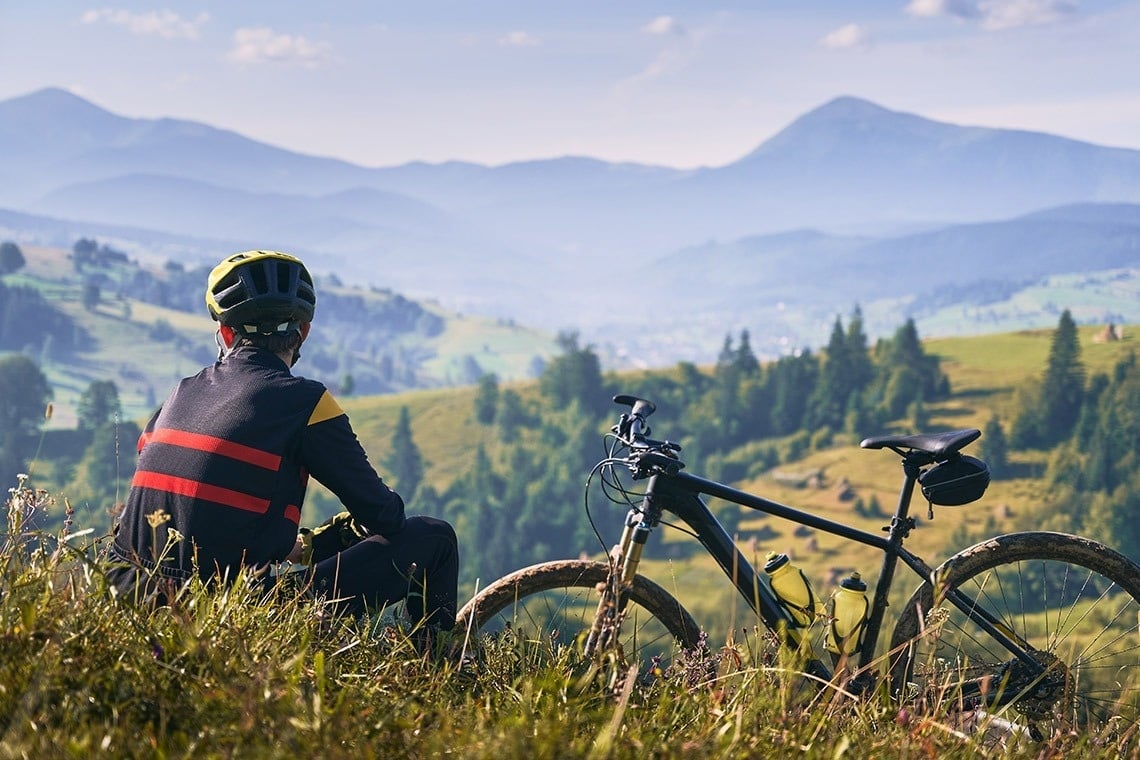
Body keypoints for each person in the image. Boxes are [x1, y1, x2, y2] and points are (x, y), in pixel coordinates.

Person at [107, 250, 458, 645]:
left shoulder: (179, 394)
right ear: (303, 332)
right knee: (435, 538)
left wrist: (308, 546)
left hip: (122, 598)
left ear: (225, 333)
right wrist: (338, 535)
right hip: (221, 614)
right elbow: (385, 518)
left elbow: (198, 511)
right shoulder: (305, 403)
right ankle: (436, 672)